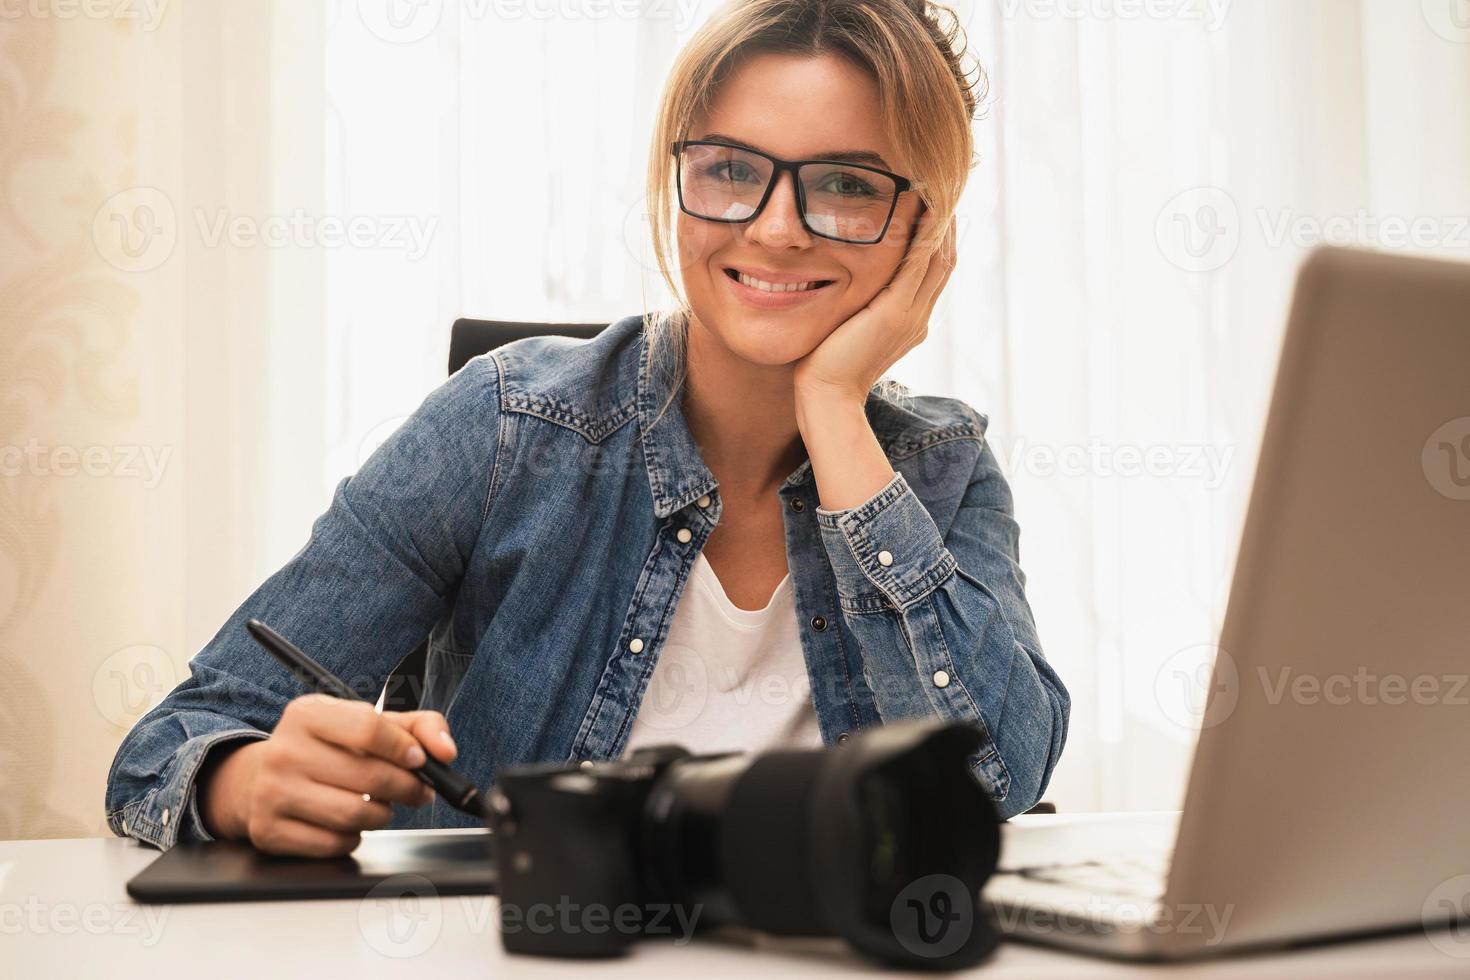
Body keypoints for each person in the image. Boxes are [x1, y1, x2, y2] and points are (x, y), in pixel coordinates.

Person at [105, 0, 1069, 857]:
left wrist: (834, 413)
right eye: (731, 169)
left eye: (849, 185)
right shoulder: (504, 425)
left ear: (925, 234)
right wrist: (243, 784)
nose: (777, 227)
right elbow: (171, 743)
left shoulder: (941, 469)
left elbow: (995, 783)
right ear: (674, 178)